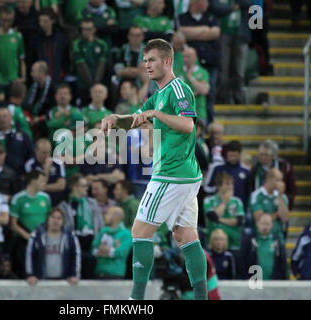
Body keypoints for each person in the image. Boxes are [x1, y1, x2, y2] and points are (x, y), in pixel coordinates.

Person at [101, 38, 207, 300]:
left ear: (168, 61)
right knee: (185, 236)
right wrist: (117, 119)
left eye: (152, 60)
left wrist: (157, 116)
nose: (146, 65)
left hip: (171, 174)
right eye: (145, 60)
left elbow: (187, 125)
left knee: (139, 232)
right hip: (184, 176)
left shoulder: (178, 89)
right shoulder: (158, 96)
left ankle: (135, 301)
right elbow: (135, 121)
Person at [178, 0, 220, 124]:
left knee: (210, 95)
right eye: (205, 1)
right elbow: (181, 32)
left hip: (210, 63)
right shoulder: (182, 18)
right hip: (189, 63)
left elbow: (215, 33)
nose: (208, 4)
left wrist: (191, 33)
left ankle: (208, 124)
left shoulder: (211, 17)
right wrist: (205, 30)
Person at [58, 173, 104, 279]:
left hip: (91, 243)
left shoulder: (92, 203)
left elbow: (100, 224)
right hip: (73, 244)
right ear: (75, 187)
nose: (87, 188)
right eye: (84, 186)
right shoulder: (64, 206)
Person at [210, 0, 253, 105]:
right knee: (223, 67)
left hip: (241, 34)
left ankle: (238, 97)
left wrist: (230, 6)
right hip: (224, 33)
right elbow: (214, 6)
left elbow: (249, 3)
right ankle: (223, 96)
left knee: (239, 70)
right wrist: (232, 7)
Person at [9, 170, 51, 277]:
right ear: (33, 181)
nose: (44, 184)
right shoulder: (18, 199)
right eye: (42, 181)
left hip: (42, 239)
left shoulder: (45, 198)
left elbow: (49, 219)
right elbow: (13, 224)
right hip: (24, 240)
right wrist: (29, 237)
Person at [25, 207, 81, 285]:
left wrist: (74, 275)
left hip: (64, 280)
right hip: (41, 279)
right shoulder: (37, 235)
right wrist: (30, 275)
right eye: (53, 217)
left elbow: (76, 255)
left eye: (59, 218)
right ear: (48, 219)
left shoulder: (70, 236)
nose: (55, 221)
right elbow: (29, 254)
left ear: (63, 221)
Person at [0, 6, 26, 88]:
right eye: (3, 20)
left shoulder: (17, 36)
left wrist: (23, 77)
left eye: (9, 21)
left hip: (13, 80)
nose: (6, 23)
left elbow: (21, 59)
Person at [203, 172, 244, 252]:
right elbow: (213, 217)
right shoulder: (209, 200)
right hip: (214, 244)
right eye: (227, 184)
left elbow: (238, 221)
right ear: (218, 186)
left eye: (232, 184)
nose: (231, 187)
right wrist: (224, 202)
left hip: (233, 243)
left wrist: (219, 220)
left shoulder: (237, 201)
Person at [204, 140, 251, 210]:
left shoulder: (246, 171)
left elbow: (248, 192)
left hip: (238, 209)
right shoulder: (216, 168)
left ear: (240, 155)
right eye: (230, 155)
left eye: (235, 156)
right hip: (218, 206)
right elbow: (207, 188)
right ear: (226, 154)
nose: (233, 158)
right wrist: (220, 188)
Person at [250, 140, 297, 210]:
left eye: (265, 154)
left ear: (273, 156)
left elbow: (292, 189)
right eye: (260, 154)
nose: (261, 157)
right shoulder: (254, 169)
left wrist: (286, 202)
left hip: (278, 204)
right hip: (259, 205)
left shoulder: (285, 167)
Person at [238, 214, 288, 280]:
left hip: (273, 283)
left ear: (272, 225)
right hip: (253, 283)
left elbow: (283, 263)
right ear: (257, 224)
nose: (265, 227)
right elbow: (242, 262)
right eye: (263, 224)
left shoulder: (277, 241)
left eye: (268, 224)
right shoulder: (248, 241)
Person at [72, 19, 109, 106]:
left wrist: (95, 85)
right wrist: (92, 85)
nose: (85, 32)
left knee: (97, 107)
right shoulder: (77, 43)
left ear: (94, 29)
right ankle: (80, 121)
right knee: (81, 111)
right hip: (83, 84)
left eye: (88, 29)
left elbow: (101, 66)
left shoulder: (102, 44)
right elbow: (81, 66)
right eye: (83, 29)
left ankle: (98, 120)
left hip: (98, 84)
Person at [91, 206, 132, 279]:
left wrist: (105, 250)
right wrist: (108, 251)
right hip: (99, 272)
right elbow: (93, 249)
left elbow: (121, 252)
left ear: (115, 217)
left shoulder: (126, 234)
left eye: (107, 214)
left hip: (115, 274)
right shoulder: (103, 231)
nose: (104, 216)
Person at [250, 168, 290, 242]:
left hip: (278, 237)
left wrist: (280, 195)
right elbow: (259, 218)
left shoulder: (283, 197)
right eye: (278, 180)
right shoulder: (257, 195)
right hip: (260, 237)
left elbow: (285, 218)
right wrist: (277, 214)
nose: (281, 183)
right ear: (269, 179)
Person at [0, 107, 34, 176]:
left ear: (11, 117)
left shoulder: (22, 135)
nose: (2, 119)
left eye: (5, 116)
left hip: (19, 174)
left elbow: (30, 154)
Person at [32, 9, 69, 85]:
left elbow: (66, 59)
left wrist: (63, 73)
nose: (42, 24)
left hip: (58, 79)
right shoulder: (36, 40)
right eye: (40, 21)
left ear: (52, 21)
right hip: (41, 80)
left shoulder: (61, 39)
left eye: (45, 21)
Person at [24, 138, 66, 206]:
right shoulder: (30, 165)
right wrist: (46, 169)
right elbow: (34, 186)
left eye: (49, 152)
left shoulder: (58, 163)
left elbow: (61, 186)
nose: (47, 155)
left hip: (56, 202)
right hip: (37, 202)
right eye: (44, 153)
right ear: (36, 151)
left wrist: (44, 187)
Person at [178, 47, 210, 124]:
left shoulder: (202, 72)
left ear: (195, 58)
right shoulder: (177, 72)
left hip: (199, 113)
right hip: (181, 115)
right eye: (184, 56)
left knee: (199, 136)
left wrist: (190, 77)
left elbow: (204, 90)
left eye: (188, 56)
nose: (185, 59)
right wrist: (195, 93)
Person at [23, 60, 56, 133]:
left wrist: (39, 119)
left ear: (41, 73)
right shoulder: (33, 87)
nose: (31, 74)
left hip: (45, 121)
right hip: (33, 119)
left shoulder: (53, 88)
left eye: (33, 71)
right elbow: (26, 105)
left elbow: (54, 110)